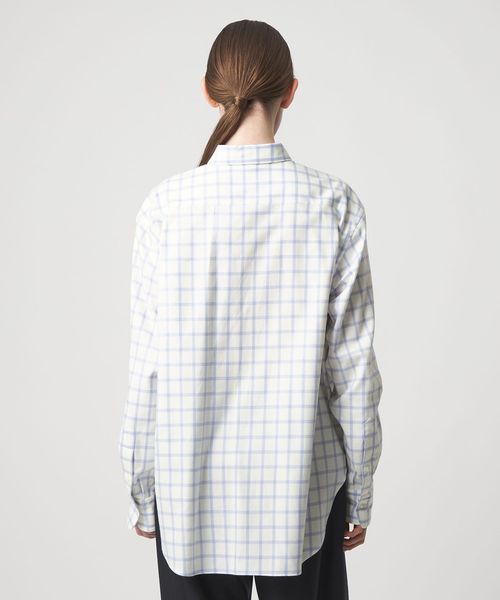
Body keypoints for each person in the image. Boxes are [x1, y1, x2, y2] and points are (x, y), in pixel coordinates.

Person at [118, 18, 383, 600]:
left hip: (189, 494)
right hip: (304, 493)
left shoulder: (165, 208)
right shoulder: (334, 204)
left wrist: (143, 491)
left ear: (208, 92)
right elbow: (353, 374)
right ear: (291, 91)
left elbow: (148, 370)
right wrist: (360, 493)